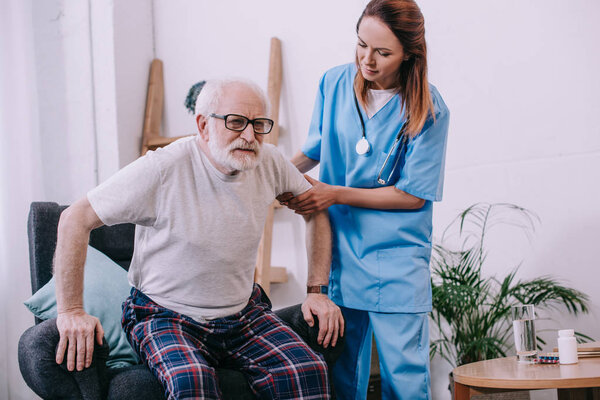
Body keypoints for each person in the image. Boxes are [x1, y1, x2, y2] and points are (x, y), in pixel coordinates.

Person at [52, 79, 344, 399]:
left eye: (259, 124)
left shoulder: (270, 161)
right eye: (236, 122)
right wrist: (71, 311)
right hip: (164, 316)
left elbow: (316, 209)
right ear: (203, 125)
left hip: (244, 313)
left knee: (307, 371)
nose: (249, 135)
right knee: (192, 383)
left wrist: (317, 290)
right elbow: (73, 219)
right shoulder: (162, 168)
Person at [277, 0, 450, 398]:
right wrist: (269, 174)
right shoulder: (334, 83)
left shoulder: (428, 109)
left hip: (396, 261)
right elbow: (313, 151)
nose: (367, 60)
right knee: (341, 377)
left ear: (410, 55)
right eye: (361, 45)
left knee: (403, 382)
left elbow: (411, 197)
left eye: (383, 53)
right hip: (339, 254)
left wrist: (333, 193)